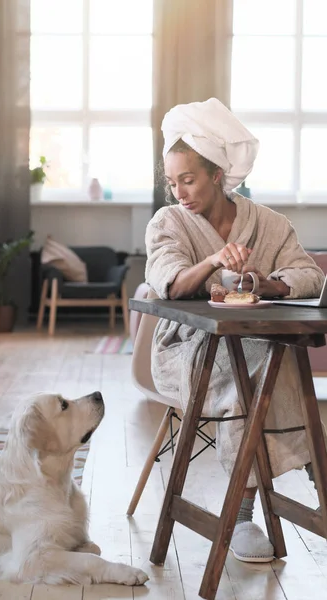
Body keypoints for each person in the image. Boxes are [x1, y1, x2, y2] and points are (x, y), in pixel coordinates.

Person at [145, 98, 325, 563]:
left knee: (268, 359)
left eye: (188, 180)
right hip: (186, 349)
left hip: (257, 345)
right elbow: (169, 282)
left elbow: (309, 275)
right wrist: (212, 260)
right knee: (265, 364)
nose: (179, 191)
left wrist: (269, 283)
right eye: (172, 182)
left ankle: (260, 503)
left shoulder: (268, 223)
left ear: (217, 175)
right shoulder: (168, 222)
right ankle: (297, 473)